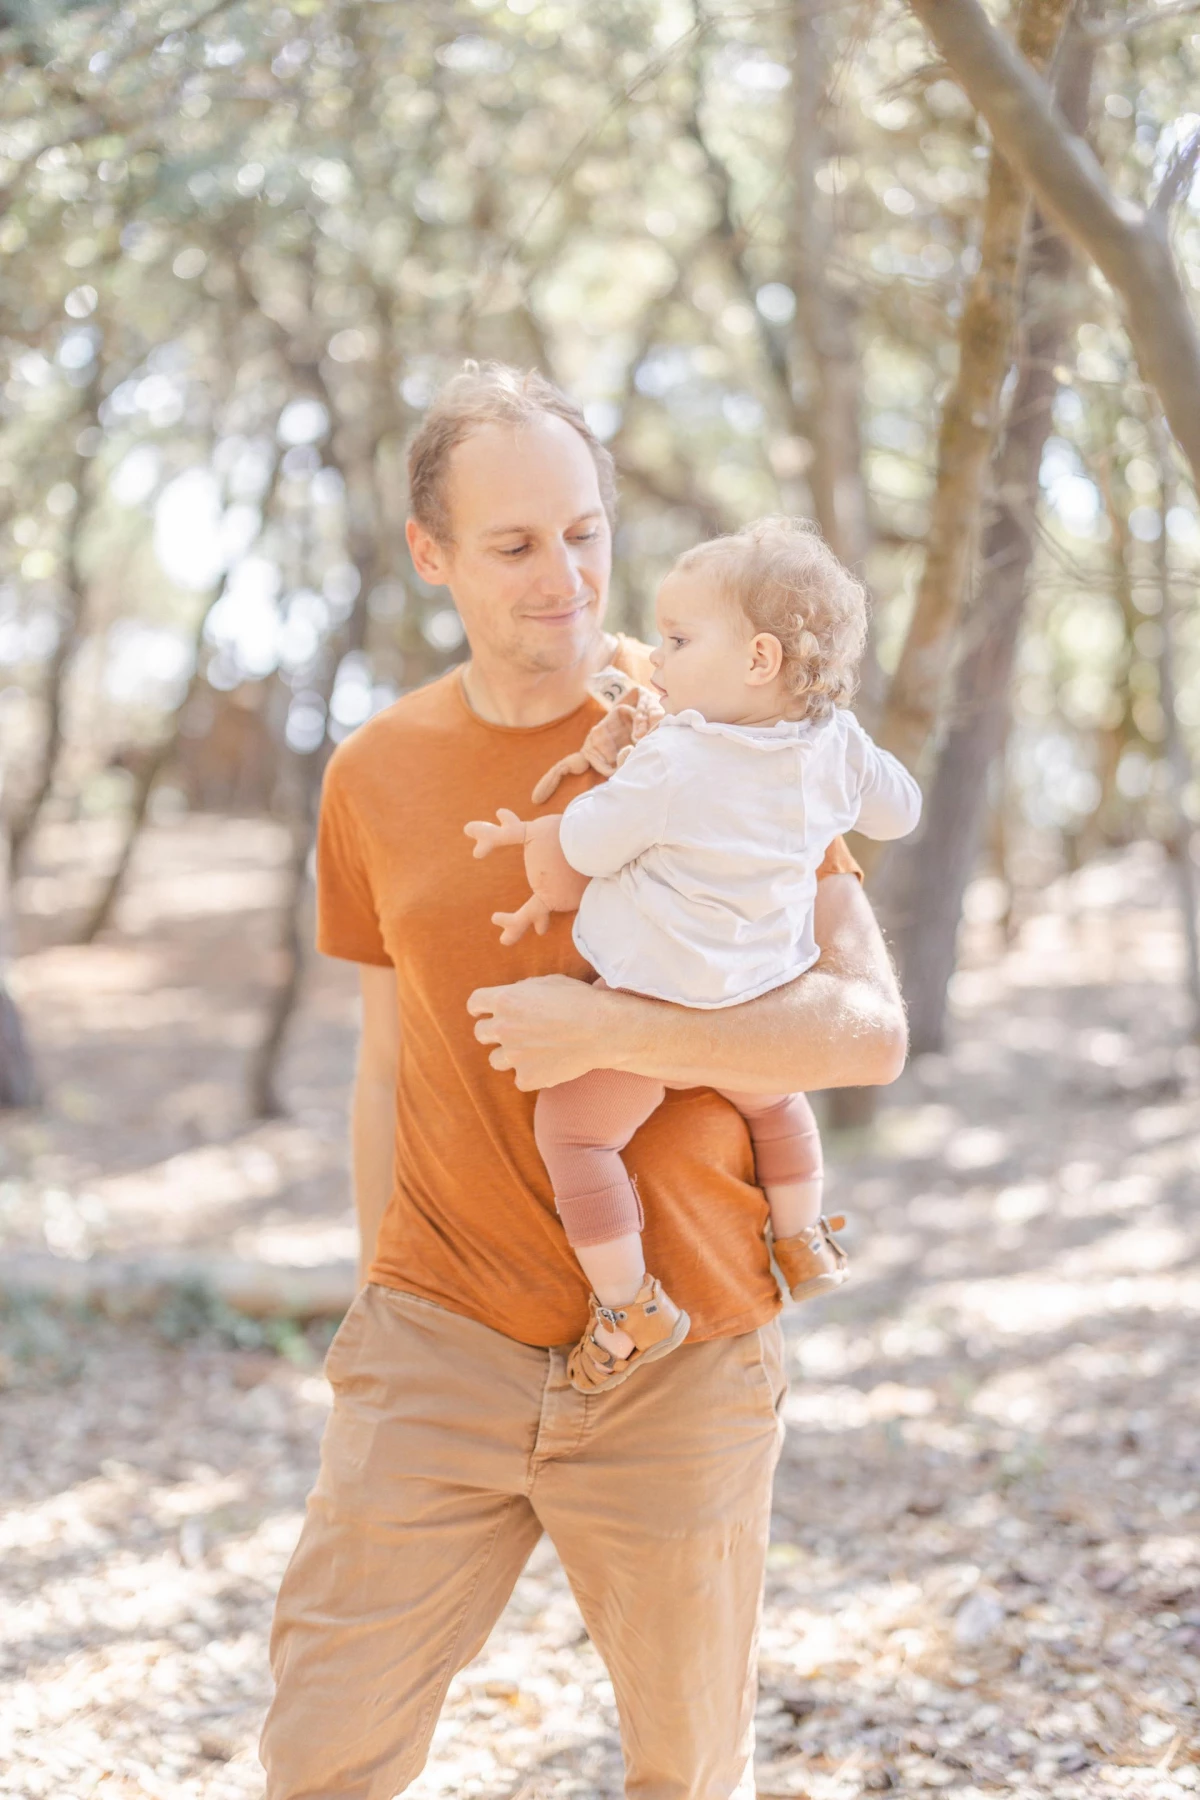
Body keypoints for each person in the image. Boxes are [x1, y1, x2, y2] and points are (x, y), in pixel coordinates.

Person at [259, 362, 909, 1800]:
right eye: (514, 544)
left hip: (686, 1355)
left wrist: (609, 1040)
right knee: (320, 1761)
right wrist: (380, 1296)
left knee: (687, 1775)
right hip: (439, 1339)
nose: (565, 576)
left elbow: (863, 1030)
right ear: (430, 555)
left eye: (585, 530)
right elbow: (388, 1058)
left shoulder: (729, 728)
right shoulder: (374, 773)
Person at [466, 517, 921, 1395]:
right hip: (754, 998)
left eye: (676, 640)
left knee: (575, 1135)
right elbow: (900, 811)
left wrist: (612, 775)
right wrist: (846, 748)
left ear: (756, 660)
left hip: (651, 998)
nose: (659, 660)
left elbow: (592, 847)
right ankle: (802, 1236)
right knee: (778, 1103)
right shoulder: (835, 745)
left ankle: (630, 1302)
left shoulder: (677, 756)